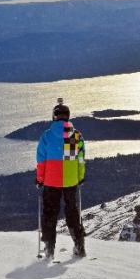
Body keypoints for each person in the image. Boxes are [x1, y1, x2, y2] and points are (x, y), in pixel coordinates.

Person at [36, 98, 86, 258]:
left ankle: (49, 248)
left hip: (51, 181)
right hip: (71, 181)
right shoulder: (76, 136)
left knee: (50, 213)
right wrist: (80, 177)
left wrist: (40, 179)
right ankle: (79, 245)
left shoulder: (47, 136)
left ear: (54, 117)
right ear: (68, 116)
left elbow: (41, 161)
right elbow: (80, 160)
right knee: (72, 212)